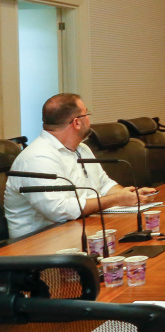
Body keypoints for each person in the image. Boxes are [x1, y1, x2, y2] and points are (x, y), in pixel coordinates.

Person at [4, 93, 157, 239]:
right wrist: (116, 199)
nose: (89, 118)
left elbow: (103, 184)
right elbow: (60, 210)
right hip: (39, 249)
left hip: (78, 231)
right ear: (77, 122)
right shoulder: (38, 157)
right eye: (87, 113)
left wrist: (130, 194)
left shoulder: (81, 149)